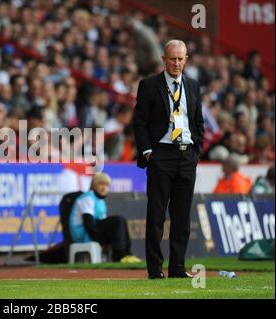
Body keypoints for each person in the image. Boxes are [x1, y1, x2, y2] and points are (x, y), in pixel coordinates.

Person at [133, 40, 204, 279]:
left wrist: (196, 151)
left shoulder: (193, 86)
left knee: (182, 216)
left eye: (180, 59)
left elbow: (198, 122)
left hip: (186, 155)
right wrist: (148, 153)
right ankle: (155, 269)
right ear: (164, 59)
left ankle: (177, 268)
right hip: (160, 154)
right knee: (156, 214)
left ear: (186, 59)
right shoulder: (149, 85)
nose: (176, 63)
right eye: (172, 59)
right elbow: (140, 122)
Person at [69, 172, 141, 263]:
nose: (104, 188)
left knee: (121, 220)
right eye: (101, 184)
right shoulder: (88, 198)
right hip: (83, 234)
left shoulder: (100, 201)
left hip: (93, 231)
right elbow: (88, 223)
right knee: (117, 220)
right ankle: (119, 255)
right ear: (94, 186)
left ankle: (127, 253)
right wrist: (99, 239)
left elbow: (102, 222)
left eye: (107, 185)